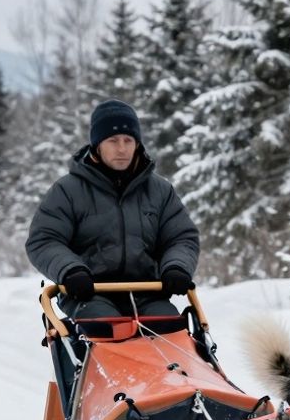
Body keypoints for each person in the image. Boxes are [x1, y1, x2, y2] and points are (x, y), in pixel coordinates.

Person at [26, 99, 199, 327]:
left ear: (137, 144)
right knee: (108, 329)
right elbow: (44, 240)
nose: (122, 148)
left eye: (128, 140)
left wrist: (176, 266)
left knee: (170, 330)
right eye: (113, 140)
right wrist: (70, 270)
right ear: (97, 145)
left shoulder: (160, 191)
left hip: (147, 293)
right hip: (88, 293)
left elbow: (181, 237)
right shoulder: (68, 191)